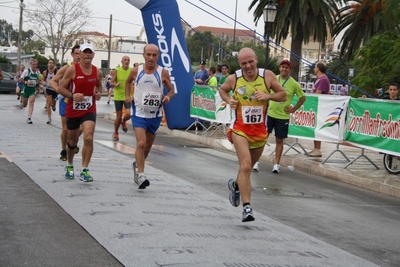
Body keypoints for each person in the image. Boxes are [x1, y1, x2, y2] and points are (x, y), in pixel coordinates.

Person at [219, 47, 286, 222]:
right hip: (239, 129)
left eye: (250, 62)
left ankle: (235, 186)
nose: (248, 66)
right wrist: (229, 101)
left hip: (260, 133)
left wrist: (267, 96)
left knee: (245, 170)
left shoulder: (268, 76)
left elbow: (283, 95)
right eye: (243, 63)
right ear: (239, 64)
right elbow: (222, 90)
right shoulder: (234, 78)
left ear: (256, 59)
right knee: (247, 166)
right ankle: (247, 208)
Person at [125, 44, 175, 189]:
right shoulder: (136, 70)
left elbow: (171, 91)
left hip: (155, 115)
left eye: (154, 55)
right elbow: (128, 82)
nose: (151, 58)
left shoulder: (162, 72)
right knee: (141, 143)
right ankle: (141, 175)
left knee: (147, 147)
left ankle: (137, 164)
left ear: (158, 56)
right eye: (149, 55)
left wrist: (167, 98)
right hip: (139, 113)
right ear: (144, 55)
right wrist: (128, 96)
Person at [56, 43, 102, 182]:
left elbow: (99, 85)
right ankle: (70, 165)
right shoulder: (72, 70)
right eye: (85, 52)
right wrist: (72, 95)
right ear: (80, 54)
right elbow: (60, 88)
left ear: (93, 55)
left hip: (89, 109)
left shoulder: (97, 71)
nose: (88, 55)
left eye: (90, 52)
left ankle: (84, 170)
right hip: (73, 109)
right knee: (72, 140)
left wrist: (98, 93)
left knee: (88, 137)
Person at [253, 59, 306, 173]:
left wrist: (293, 109)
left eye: (286, 67)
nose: (284, 69)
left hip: (283, 117)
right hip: (269, 114)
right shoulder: (273, 79)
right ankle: (256, 162)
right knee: (262, 139)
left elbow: (303, 98)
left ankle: (276, 164)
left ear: (290, 70)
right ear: (279, 68)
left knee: (279, 140)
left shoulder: (294, 84)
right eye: (282, 67)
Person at [50, 44, 81, 161]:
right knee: (65, 129)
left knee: (81, 128)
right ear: (72, 54)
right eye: (76, 53)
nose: (78, 56)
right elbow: (53, 81)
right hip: (66, 100)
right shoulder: (66, 68)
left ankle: (72, 142)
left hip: (80, 102)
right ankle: (64, 149)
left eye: (80, 53)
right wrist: (59, 89)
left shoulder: (86, 68)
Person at [308, 61, 330, 158]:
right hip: (316, 107)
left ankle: (318, 149)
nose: (314, 69)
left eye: (315, 67)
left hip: (320, 107)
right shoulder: (319, 79)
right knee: (315, 127)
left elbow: (318, 94)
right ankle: (316, 148)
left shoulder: (323, 80)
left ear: (318, 68)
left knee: (317, 128)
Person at [111, 56, 132, 141]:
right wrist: (115, 84)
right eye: (125, 60)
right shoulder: (117, 70)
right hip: (118, 96)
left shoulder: (132, 70)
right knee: (118, 116)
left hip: (128, 95)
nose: (126, 62)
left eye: (128, 60)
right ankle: (116, 133)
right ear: (122, 61)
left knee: (128, 113)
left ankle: (123, 121)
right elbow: (111, 82)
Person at [19, 59, 43, 124]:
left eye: (35, 64)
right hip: (25, 90)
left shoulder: (38, 72)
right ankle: (22, 102)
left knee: (32, 102)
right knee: (24, 105)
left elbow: (39, 80)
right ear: (31, 65)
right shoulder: (27, 71)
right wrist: (26, 82)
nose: (34, 66)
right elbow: (20, 79)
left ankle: (29, 118)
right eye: (33, 64)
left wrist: (40, 83)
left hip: (32, 90)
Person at [42, 59, 58, 124]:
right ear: (47, 64)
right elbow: (42, 80)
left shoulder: (57, 72)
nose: (50, 64)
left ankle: (54, 106)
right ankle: (49, 118)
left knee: (53, 104)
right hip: (48, 89)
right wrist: (43, 82)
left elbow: (61, 79)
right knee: (48, 103)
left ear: (54, 64)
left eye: (52, 63)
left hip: (55, 89)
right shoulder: (45, 72)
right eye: (49, 63)